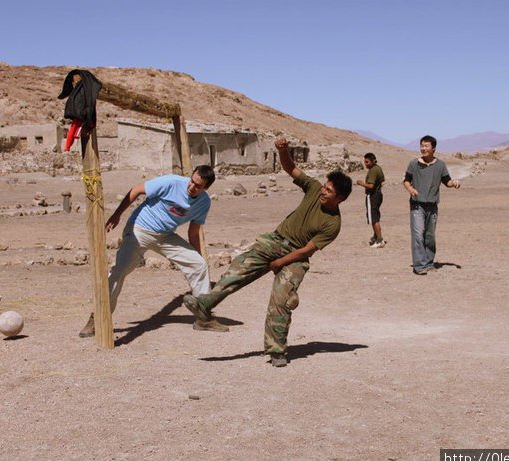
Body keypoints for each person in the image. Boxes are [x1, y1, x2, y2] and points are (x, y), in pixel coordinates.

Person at [183, 139, 353, 367]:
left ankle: (276, 350)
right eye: (325, 186)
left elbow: (307, 250)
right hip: (275, 240)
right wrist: (283, 151)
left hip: (296, 256)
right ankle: (205, 305)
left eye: (329, 191)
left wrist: (280, 262)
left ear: (340, 198)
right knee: (239, 269)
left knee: (282, 301)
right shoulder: (313, 189)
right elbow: (291, 168)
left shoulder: (333, 224)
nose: (323, 191)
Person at [78, 165, 227, 337]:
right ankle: (97, 319)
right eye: (192, 182)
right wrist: (117, 214)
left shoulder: (203, 203)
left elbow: (193, 232)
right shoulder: (171, 182)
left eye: (198, 186)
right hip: (140, 229)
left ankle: (204, 316)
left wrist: (196, 256)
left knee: (199, 265)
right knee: (119, 271)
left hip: (165, 236)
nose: (192, 187)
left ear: (206, 188)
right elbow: (136, 190)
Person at [402, 135, 461, 275]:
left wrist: (454, 184)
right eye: (422, 145)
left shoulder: (440, 165)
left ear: (433, 148)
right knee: (417, 234)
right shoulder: (413, 164)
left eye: (426, 146)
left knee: (430, 236)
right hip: (417, 205)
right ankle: (419, 266)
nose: (423, 148)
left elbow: (447, 181)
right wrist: (410, 189)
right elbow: (406, 180)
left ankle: (428, 262)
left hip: (432, 206)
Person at [356, 152, 385, 247]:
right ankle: (376, 236)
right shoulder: (378, 168)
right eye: (365, 162)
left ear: (372, 161)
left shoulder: (373, 170)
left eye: (367, 162)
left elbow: (371, 186)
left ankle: (380, 240)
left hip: (372, 195)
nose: (366, 164)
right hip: (378, 194)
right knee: (375, 215)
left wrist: (361, 183)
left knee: (373, 218)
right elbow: (383, 179)